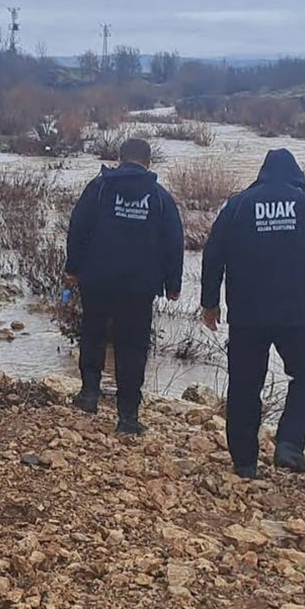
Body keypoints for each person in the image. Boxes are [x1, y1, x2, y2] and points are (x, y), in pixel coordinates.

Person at [200, 148, 305, 479]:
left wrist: (209, 302)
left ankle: (244, 462)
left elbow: (213, 255)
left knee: (243, 385)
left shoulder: (238, 206)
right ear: (297, 176)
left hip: (246, 316)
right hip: (298, 315)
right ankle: (289, 444)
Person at [64, 138, 184, 434]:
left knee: (92, 334)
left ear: (119, 159)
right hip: (140, 286)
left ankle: (89, 395)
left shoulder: (100, 188)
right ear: (149, 163)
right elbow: (174, 241)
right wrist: (173, 283)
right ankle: (128, 416)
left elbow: (78, 227)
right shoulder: (158, 196)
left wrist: (73, 268)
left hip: (97, 278)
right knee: (132, 347)